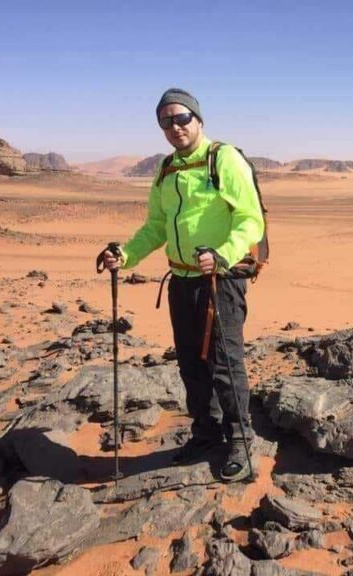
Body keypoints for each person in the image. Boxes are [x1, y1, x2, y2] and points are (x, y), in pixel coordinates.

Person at [100, 88, 265, 482]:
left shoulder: (223, 159)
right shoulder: (166, 169)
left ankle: (241, 439)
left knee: (226, 365)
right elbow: (156, 226)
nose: (174, 127)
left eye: (181, 118)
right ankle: (206, 433)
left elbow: (250, 219)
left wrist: (223, 253)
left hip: (219, 280)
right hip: (181, 281)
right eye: (165, 121)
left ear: (198, 119)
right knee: (192, 363)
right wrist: (126, 255)